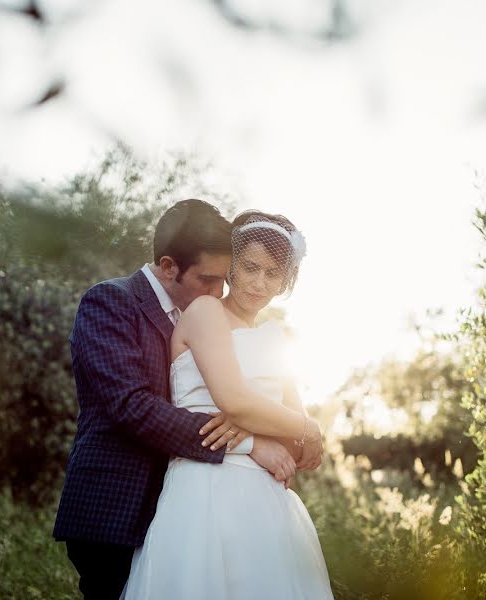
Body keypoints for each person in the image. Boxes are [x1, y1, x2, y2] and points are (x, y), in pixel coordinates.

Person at [53, 200, 323, 599]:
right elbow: (134, 408)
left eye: (271, 273)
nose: (219, 290)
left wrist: (276, 430)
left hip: (194, 497)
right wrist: (247, 439)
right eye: (213, 278)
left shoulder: (214, 317)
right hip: (117, 504)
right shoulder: (111, 302)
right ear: (169, 267)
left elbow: (260, 409)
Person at [122, 210, 333, 600]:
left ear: (285, 280)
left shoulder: (275, 339)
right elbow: (235, 400)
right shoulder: (205, 312)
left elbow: (297, 444)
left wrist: (285, 429)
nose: (259, 282)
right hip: (207, 489)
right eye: (250, 268)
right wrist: (303, 428)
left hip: (267, 501)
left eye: (272, 274)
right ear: (231, 266)